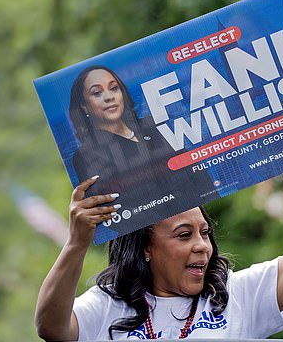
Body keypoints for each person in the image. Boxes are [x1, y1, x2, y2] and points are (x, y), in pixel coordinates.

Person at [35, 118, 283, 342]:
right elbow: (51, 328)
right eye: (183, 235)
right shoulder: (108, 308)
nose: (202, 246)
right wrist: (76, 243)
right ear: (145, 248)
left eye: (204, 233)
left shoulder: (238, 297)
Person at [68, 65, 216, 238]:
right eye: (97, 93)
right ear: (84, 107)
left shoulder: (154, 126)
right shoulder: (86, 155)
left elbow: (196, 172)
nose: (109, 97)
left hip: (196, 226)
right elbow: (113, 212)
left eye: (114, 88)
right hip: (147, 240)